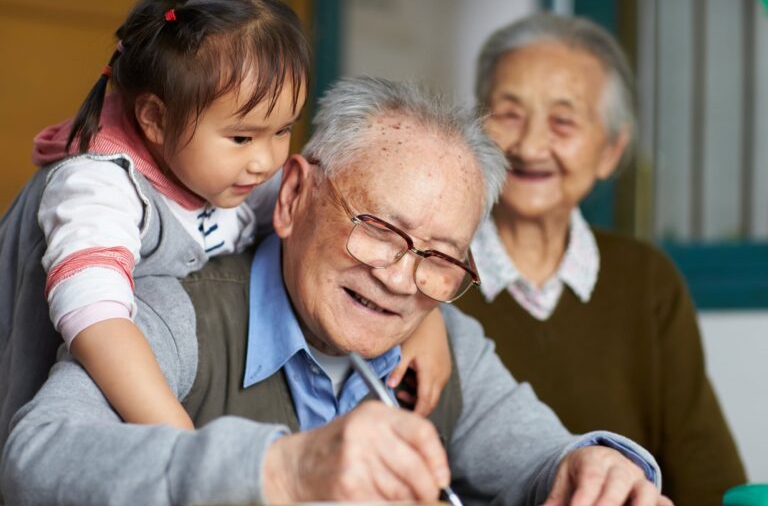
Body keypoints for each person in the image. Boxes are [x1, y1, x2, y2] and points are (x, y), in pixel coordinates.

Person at [1, 77, 672, 506]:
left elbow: (541, 458)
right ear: (292, 196)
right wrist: (283, 472)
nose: (400, 278)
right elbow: (33, 462)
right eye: (380, 228)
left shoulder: (443, 339)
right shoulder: (177, 309)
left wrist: (594, 464)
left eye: (439, 256)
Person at [0, 0, 448, 443]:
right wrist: (184, 441)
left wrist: (430, 325)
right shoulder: (96, 188)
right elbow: (95, 319)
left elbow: (330, 226)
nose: (266, 160)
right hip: (54, 415)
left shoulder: (230, 174)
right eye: (241, 137)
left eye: (283, 131)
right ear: (155, 118)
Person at [455, 13, 746, 506]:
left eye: (563, 121)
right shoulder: (428, 267)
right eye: (508, 113)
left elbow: (707, 475)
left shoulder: (647, 281)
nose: (529, 146)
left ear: (611, 150)